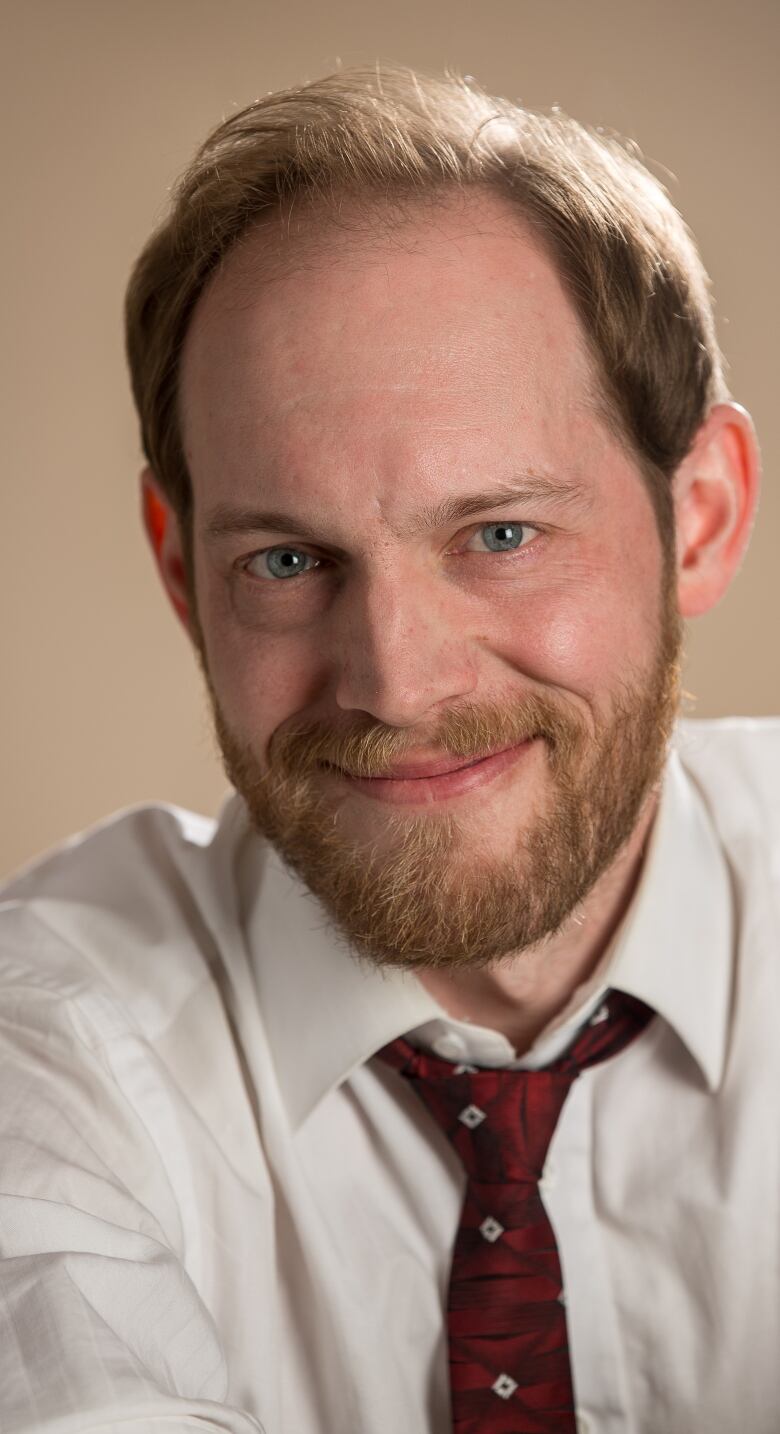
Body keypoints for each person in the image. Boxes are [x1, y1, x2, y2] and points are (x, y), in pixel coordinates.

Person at [0, 63, 776, 1434]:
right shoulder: (51, 1039)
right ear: (182, 573)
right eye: (289, 559)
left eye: (500, 535)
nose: (397, 684)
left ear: (701, 519)